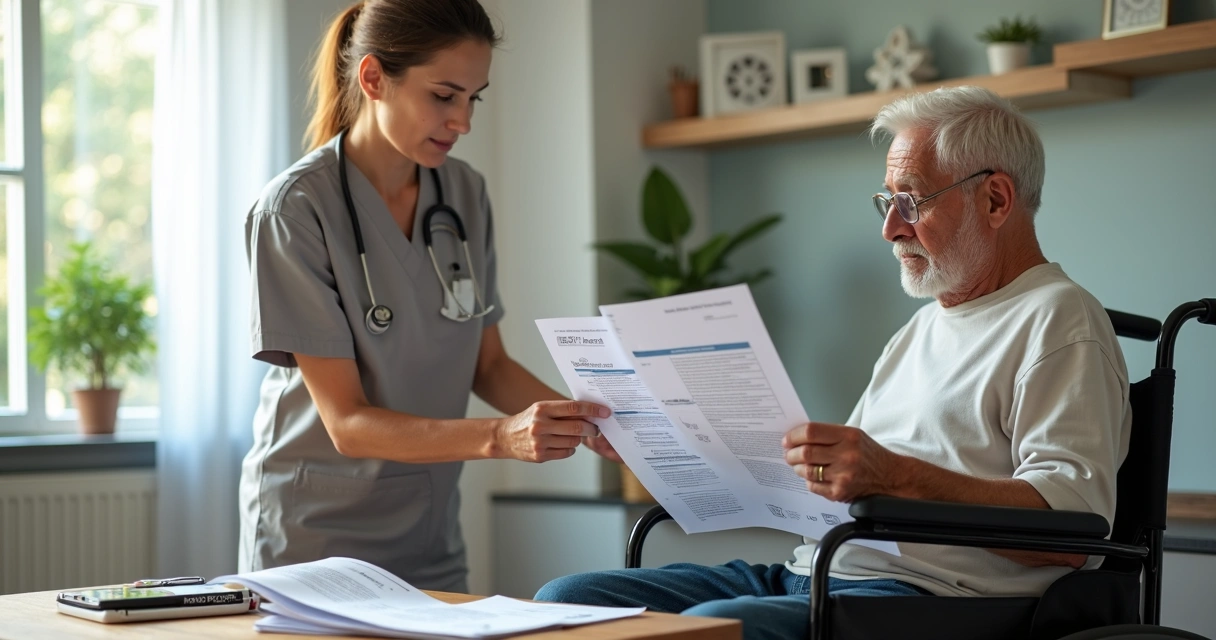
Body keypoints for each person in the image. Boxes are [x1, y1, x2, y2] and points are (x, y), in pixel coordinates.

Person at [534, 86, 1132, 640]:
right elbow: (840, 488)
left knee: (716, 628)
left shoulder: (1060, 318)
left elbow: (1071, 530)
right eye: (887, 202)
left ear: (995, 199)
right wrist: (669, 448)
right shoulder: (922, 329)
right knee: (568, 600)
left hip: (933, 596)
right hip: (816, 570)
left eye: (910, 201)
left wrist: (896, 477)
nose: (890, 228)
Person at [238, 0, 611, 593]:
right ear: (373, 78)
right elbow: (347, 423)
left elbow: (489, 365)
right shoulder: (294, 210)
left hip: (428, 532)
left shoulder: (463, 193)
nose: (463, 121)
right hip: (316, 534)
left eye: (474, 98)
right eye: (443, 96)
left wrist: (592, 424)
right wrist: (502, 437)